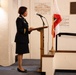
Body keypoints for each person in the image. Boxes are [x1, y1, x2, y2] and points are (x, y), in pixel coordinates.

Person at [14, 6, 33, 73]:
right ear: (23, 11)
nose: (27, 13)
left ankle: (20, 66)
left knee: (21, 53)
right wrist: (27, 29)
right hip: (20, 39)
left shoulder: (23, 19)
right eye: (26, 11)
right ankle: (20, 67)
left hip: (23, 38)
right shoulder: (19, 19)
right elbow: (20, 29)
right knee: (20, 53)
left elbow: (25, 30)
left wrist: (29, 30)